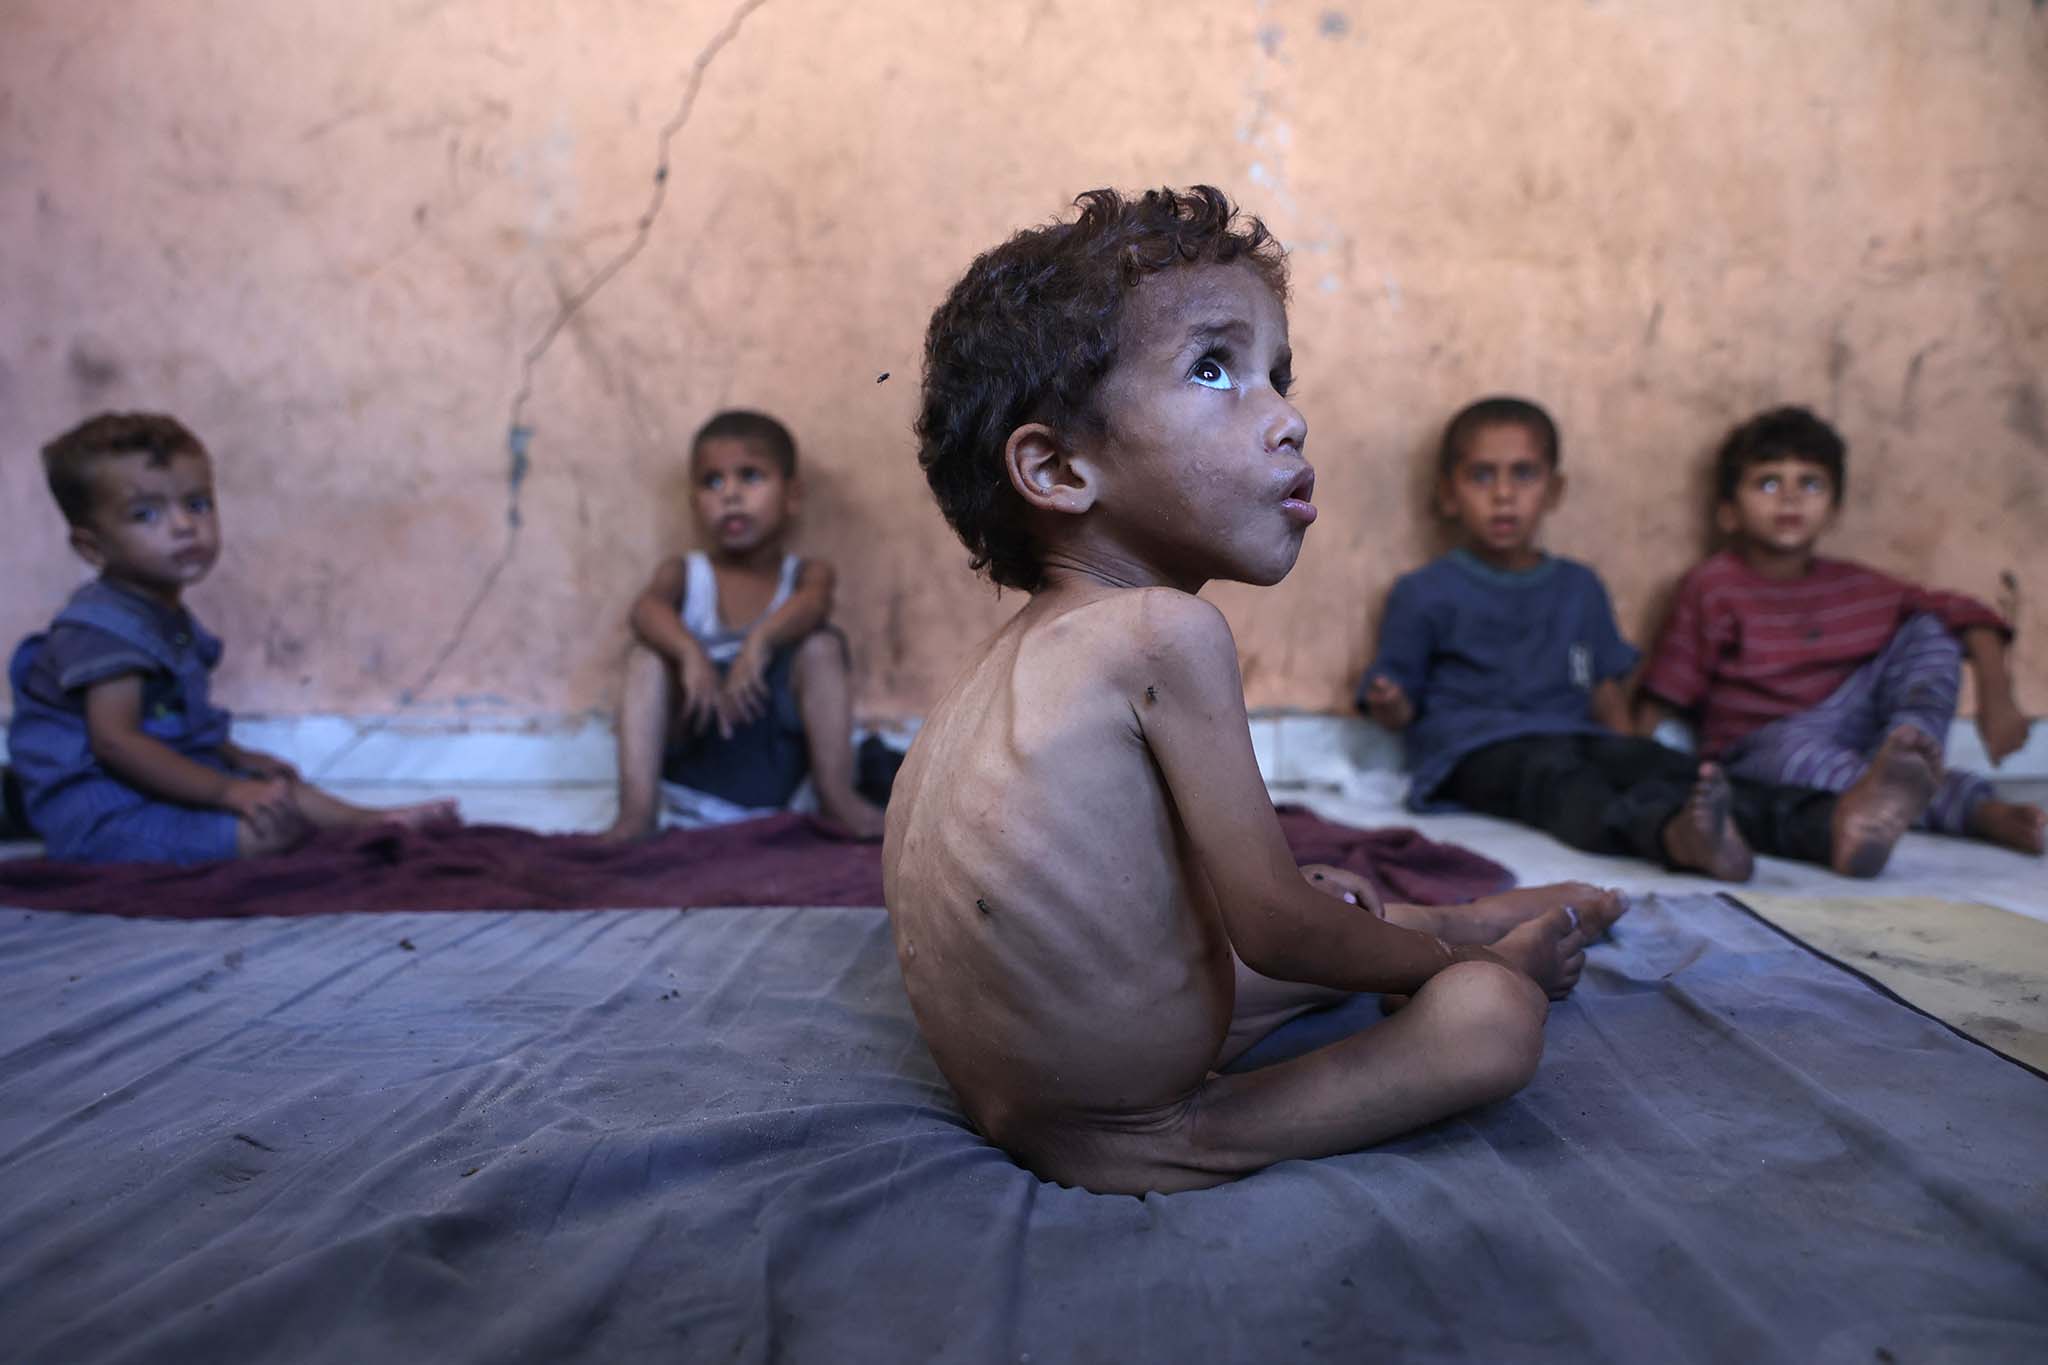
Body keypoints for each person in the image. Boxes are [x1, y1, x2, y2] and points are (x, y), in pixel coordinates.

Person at [885, 187, 1627, 1197]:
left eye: (1276, 374)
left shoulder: (1008, 660)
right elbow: (1272, 926)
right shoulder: (1162, 633)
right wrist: (1468, 977)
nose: (1287, 418)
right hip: (1129, 1125)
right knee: (1488, 1021)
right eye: (1211, 368)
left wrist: (1373, 933)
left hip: (1027, 1078)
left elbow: (1169, 917)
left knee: (1336, 906)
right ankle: (1469, 949)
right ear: (1057, 468)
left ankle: (1462, 916)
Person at [1361, 397, 1937, 881]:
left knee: (1677, 772)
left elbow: (1608, 692)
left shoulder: (1578, 586)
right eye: (1482, 475)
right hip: (1478, 752)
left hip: (1579, 734)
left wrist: (1632, 748)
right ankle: (1676, 838)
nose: (1504, 494)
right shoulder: (1425, 591)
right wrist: (1391, 700)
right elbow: (1398, 703)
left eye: (1524, 474)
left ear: (1555, 490)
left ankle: (1833, 824)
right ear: (1447, 494)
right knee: (1565, 786)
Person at [7, 413, 457, 864]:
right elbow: (116, 743)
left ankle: (372, 821)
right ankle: (260, 834)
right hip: (105, 811)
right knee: (262, 835)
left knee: (282, 793)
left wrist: (238, 757)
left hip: (154, 784)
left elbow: (178, 721)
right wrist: (227, 790)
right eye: (146, 514)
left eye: (198, 503)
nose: (184, 525)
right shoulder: (102, 631)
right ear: (92, 547)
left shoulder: (162, 614)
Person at [1636, 405, 2043, 856]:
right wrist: (1636, 768)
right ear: (1729, 513)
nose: (1790, 498)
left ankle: (1909, 753)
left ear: (1834, 511)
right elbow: (1667, 690)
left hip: (1863, 729)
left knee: (1932, 627)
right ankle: (1973, 811)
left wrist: (1997, 694)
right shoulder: (1713, 586)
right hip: (1766, 742)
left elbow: (1966, 612)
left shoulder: (1859, 585)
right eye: (1768, 482)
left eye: (1810, 483)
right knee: (1798, 762)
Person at [603, 410, 884, 840]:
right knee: (646, 658)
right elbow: (645, 610)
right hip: (697, 764)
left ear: (792, 496)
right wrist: (689, 653)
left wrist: (760, 643)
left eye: (750, 477)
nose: (730, 495)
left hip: (779, 774)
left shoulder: (805, 574)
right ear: (695, 502)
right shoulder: (687, 573)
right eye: (712, 482)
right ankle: (636, 814)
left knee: (821, 646)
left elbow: (815, 604)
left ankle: (837, 797)